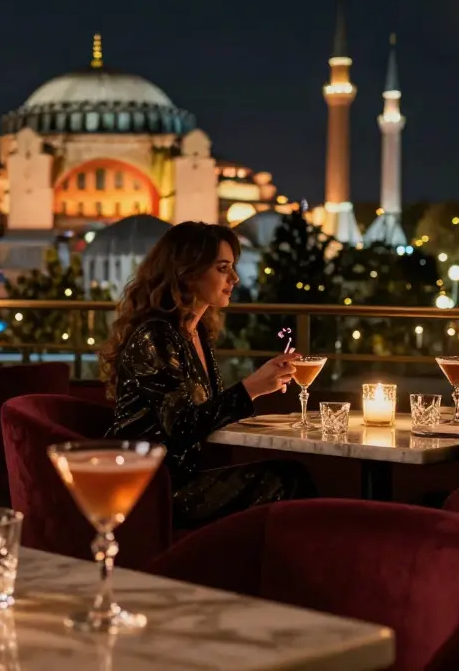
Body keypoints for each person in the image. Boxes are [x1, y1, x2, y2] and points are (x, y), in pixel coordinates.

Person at [102, 221, 313, 530]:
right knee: (288, 478)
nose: (234, 278)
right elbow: (182, 426)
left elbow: (203, 412)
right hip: (150, 483)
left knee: (290, 475)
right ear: (187, 272)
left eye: (233, 267)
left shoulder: (195, 332)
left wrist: (257, 385)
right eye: (223, 268)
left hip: (180, 474)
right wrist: (250, 389)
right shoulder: (156, 336)